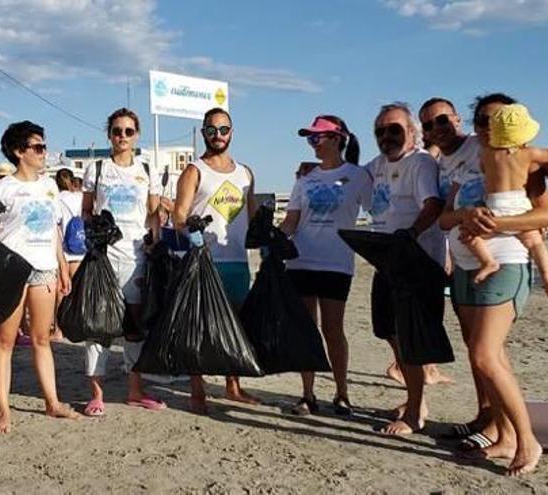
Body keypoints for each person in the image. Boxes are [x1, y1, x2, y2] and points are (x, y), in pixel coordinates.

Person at [439, 92, 548, 476]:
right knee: (492, 357)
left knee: (484, 356)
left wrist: (496, 224)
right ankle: (504, 436)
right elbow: (444, 218)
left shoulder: (523, 160)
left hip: (506, 261)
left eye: (497, 119)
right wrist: (465, 216)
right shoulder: (468, 159)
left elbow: (546, 216)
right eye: (484, 120)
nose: (490, 126)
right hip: (468, 267)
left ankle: (527, 441)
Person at [0, 121, 78, 434]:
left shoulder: (50, 186)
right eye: (37, 147)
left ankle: (52, 402)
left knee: (42, 338)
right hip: (11, 270)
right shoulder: (1, 189)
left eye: (44, 146)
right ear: (18, 152)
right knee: (5, 340)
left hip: (44, 268)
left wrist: (62, 266)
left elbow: (54, 229)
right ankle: (3, 410)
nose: (44, 153)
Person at [279, 115, 371, 416]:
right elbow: (291, 221)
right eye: (310, 139)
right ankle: (307, 394)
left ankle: (342, 393)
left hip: (337, 263)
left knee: (334, 330)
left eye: (317, 137)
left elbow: (379, 210)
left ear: (337, 138)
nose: (313, 143)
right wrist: (272, 239)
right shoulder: (304, 178)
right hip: (301, 261)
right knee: (307, 330)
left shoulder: (359, 176)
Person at [364, 102, 445, 435]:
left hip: (417, 265)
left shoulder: (420, 164)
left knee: (411, 339)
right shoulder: (378, 165)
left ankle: (414, 412)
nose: (387, 136)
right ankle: (416, 399)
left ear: (412, 132)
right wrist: (313, 167)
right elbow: (349, 175)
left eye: (394, 129)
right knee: (387, 331)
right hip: (386, 262)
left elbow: (434, 205)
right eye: (380, 131)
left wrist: (410, 235)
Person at [172, 107, 260, 414]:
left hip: (238, 261)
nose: (217, 135)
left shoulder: (245, 173)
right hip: (205, 261)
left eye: (223, 130)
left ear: (232, 132)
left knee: (236, 325)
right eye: (211, 130)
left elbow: (251, 217)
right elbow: (179, 215)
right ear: (203, 133)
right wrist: (190, 235)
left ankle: (233, 386)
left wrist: (266, 243)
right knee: (201, 327)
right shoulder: (195, 170)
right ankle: (197, 391)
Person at [80, 108, 167, 417]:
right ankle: (97, 394)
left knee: (134, 326)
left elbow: (153, 214)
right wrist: (94, 233)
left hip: (136, 257)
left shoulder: (147, 168)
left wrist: (155, 242)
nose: (122, 137)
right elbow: (87, 211)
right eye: (117, 131)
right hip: (103, 257)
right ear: (109, 134)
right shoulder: (97, 168)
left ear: (137, 135)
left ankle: (134, 390)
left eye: (129, 131)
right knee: (99, 325)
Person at [461, 104, 548, 294]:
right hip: (520, 208)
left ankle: (488, 262)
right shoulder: (528, 154)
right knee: (535, 242)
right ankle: (547, 277)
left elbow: (483, 170)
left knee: (468, 235)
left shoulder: (486, 154)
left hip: (495, 207)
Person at [54, 167, 84, 342]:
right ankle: (79, 325)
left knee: (62, 291)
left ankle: (59, 329)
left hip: (63, 249)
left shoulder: (56, 199)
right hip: (80, 247)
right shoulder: (79, 198)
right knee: (79, 290)